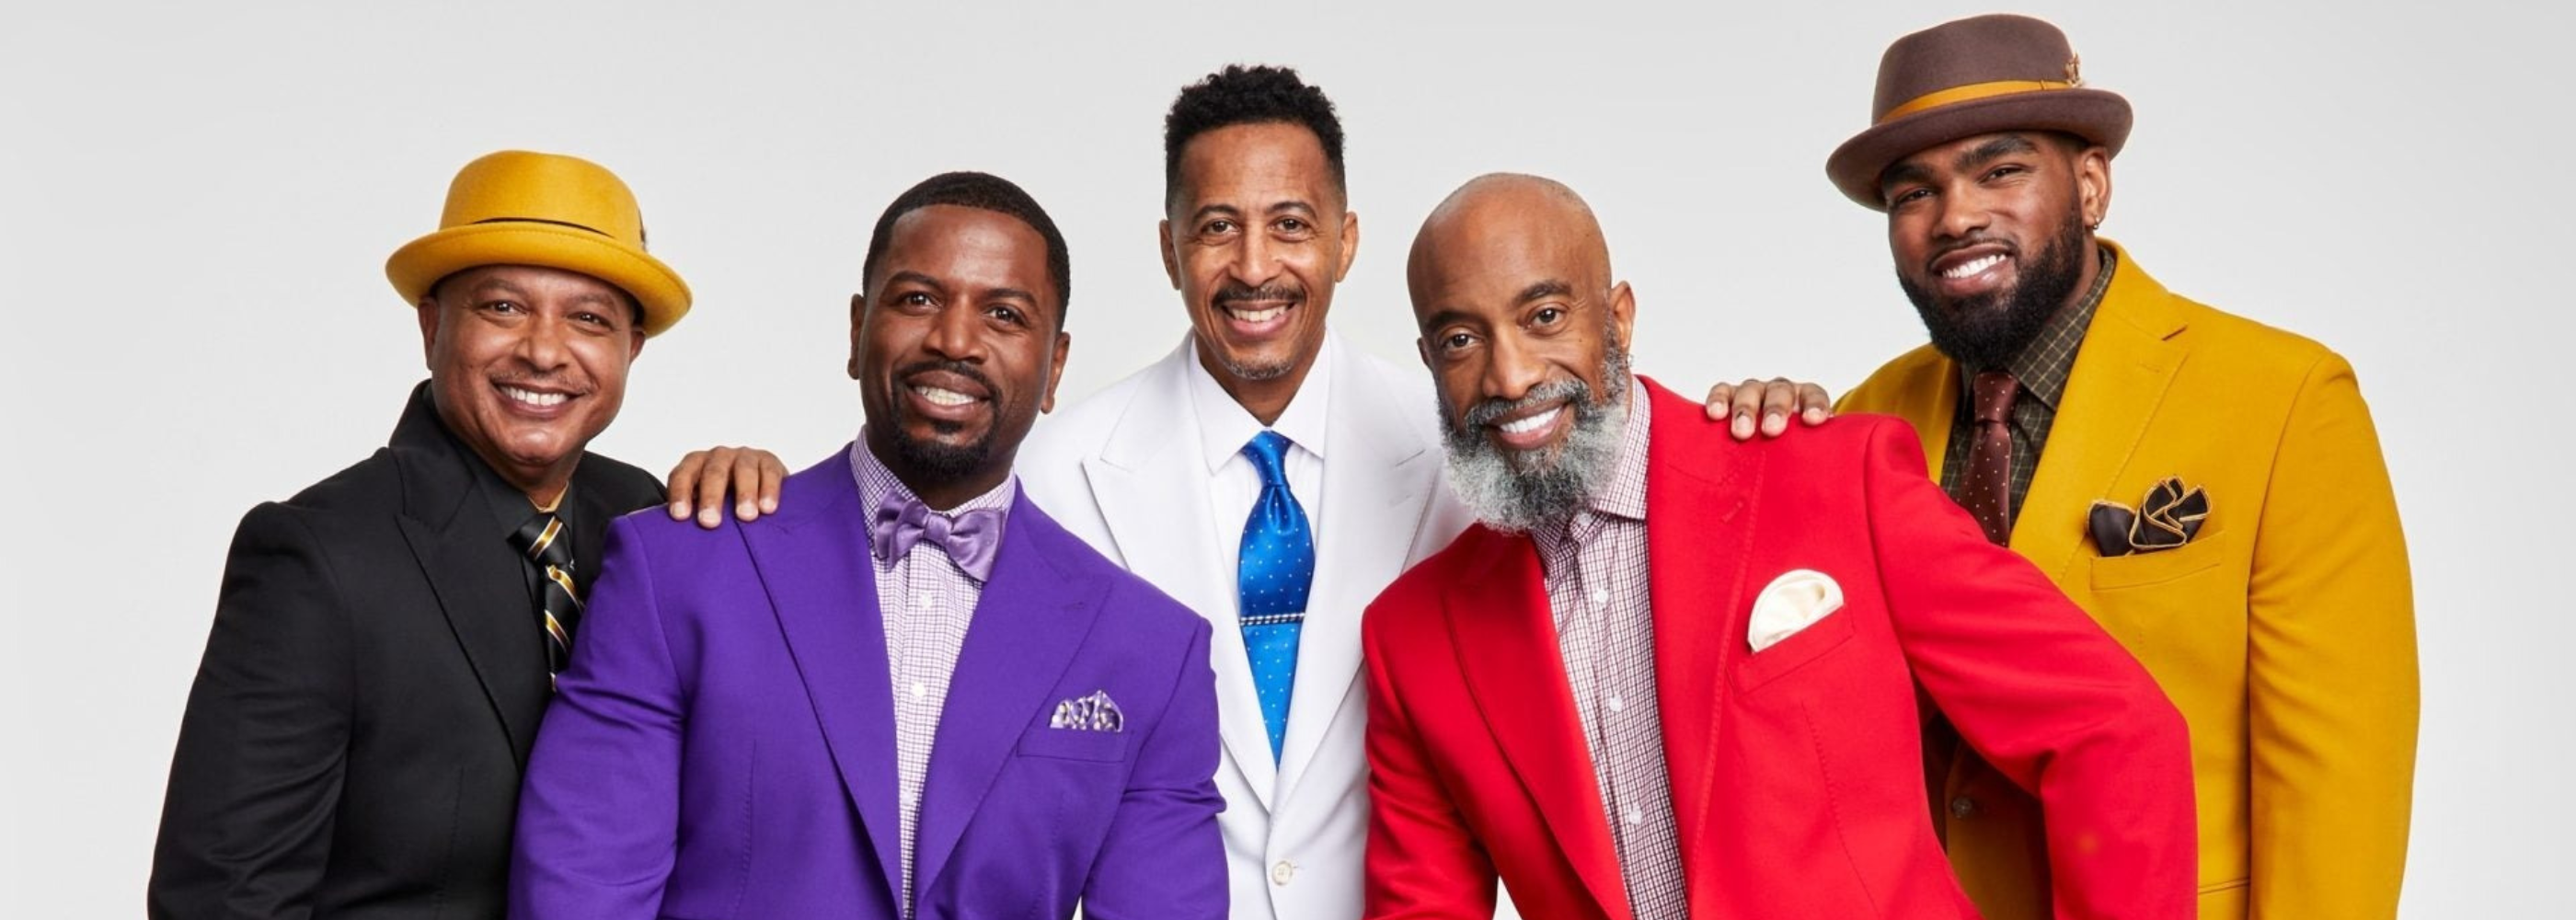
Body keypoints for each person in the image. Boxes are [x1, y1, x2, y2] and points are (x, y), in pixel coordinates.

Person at [661, 64, 1828, 920]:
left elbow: (1622, 510)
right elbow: (908, 542)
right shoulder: (1056, 470)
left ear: (1346, 242)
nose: (1256, 266)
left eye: (1291, 225)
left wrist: (1756, 420)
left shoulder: (1475, 451)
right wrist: (748, 475)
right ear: (1169, 249)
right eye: (1217, 228)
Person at [1364, 173, 2196, 920]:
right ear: (1430, 361)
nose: (1510, 377)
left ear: (1616, 318)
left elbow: (2111, 729)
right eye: (1461, 340)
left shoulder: (1833, 476)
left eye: (1545, 317)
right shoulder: (1413, 638)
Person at [509, 172, 1227, 919]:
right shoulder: (677, 568)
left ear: (1056, 366)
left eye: (1005, 315)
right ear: (857, 331)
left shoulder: (1151, 649)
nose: (954, 340)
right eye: (917, 300)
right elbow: (583, 887)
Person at [1825, 15, 2418, 919]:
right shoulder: (1860, 419)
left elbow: (2339, 781)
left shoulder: (2285, 400)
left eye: (2000, 170)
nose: (1955, 217)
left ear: (2092, 184)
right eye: (1914, 192)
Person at [149, 149, 701, 918]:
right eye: (502, 307)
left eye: (589, 319)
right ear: (432, 323)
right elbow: (225, 899)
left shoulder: (644, 517)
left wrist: (754, 497)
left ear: (629, 349)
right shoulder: (317, 556)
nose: (544, 351)